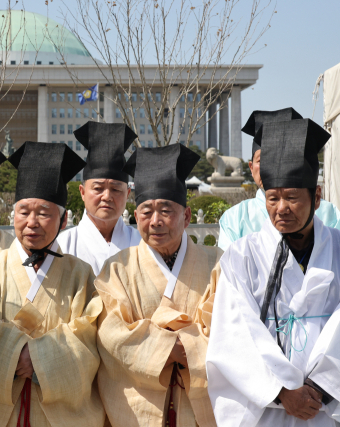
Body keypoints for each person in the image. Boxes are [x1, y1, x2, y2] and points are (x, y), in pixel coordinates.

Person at [207, 118, 340, 426]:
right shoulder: (241, 256)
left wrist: (321, 388)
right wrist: (282, 391)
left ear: (317, 196)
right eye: (273, 198)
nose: (281, 208)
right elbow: (234, 331)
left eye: (292, 197)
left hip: (328, 407)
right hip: (268, 409)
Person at [0, 142, 105, 427]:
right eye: (23, 211)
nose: (32, 222)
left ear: (64, 219)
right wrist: (15, 355)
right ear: (12, 215)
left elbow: (89, 337)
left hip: (56, 416)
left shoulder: (80, 274)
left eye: (44, 212)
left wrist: (39, 360)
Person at [95, 144, 221, 427]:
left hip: (201, 406)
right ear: (135, 216)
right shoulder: (117, 268)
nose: (155, 221)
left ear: (187, 216)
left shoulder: (218, 264)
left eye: (166, 210)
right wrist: (172, 348)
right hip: (139, 407)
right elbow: (111, 332)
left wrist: (179, 347)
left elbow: (228, 324)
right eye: (146, 211)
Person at [218, 108, 340, 250]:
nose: (271, 168)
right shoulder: (235, 218)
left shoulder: (328, 212)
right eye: (263, 161)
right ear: (251, 168)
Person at [57, 122, 141, 275]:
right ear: (82, 192)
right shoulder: (63, 245)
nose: (107, 196)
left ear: (128, 194)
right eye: (98, 188)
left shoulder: (142, 243)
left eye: (116, 189)